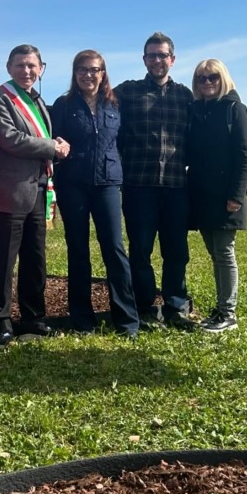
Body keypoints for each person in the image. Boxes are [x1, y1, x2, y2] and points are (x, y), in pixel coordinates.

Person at [115, 32, 247, 329]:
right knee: (140, 250)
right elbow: (94, 100)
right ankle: (144, 307)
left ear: (172, 59)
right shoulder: (127, 92)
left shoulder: (186, 97)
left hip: (177, 187)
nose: (157, 60)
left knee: (176, 251)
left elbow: (217, 112)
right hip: (138, 185)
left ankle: (176, 307)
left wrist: (246, 113)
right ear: (144, 60)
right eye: (151, 55)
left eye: (162, 55)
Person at [0, 44, 70, 346]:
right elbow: (9, 139)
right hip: (9, 192)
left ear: (41, 68)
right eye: (20, 65)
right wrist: (50, 147)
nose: (27, 71)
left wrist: (55, 143)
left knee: (35, 258)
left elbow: (38, 138)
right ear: (9, 67)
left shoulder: (39, 102)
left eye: (32, 65)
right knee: (3, 260)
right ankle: (1, 321)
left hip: (38, 190)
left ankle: (33, 317)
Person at [50, 50, 139, 338]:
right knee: (78, 250)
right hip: (72, 184)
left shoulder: (116, 103)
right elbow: (51, 138)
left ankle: (126, 321)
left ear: (103, 73)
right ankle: (82, 321)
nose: (89, 75)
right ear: (75, 73)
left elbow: (124, 141)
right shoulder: (63, 105)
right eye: (83, 70)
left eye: (95, 70)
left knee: (114, 248)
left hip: (108, 184)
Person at [186, 58, 247, 333]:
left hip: (227, 195)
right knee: (215, 253)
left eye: (212, 77)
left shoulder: (235, 109)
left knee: (225, 252)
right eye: (201, 78)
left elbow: (245, 154)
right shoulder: (197, 110)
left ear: (222, 78)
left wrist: (236, 195)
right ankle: (221, 308)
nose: (207, 83)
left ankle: (229, 313)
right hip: (202, 195)